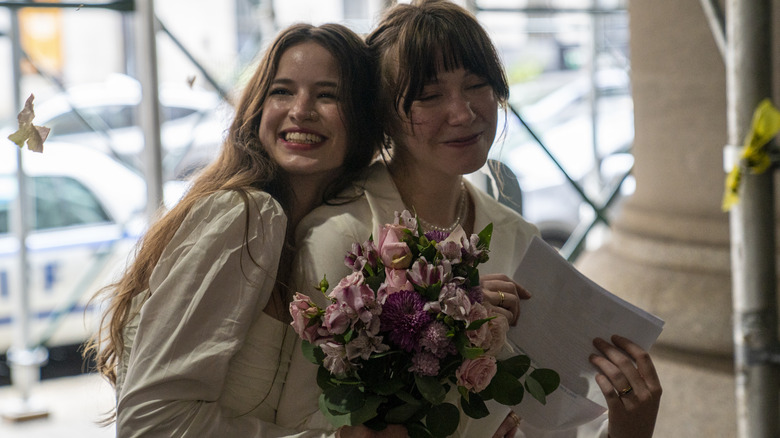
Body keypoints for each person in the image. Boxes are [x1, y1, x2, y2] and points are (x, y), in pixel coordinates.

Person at [278, 1, 662, 438]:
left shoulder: (519, 239)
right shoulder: (341, 236)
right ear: (384, 112)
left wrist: (626, 428)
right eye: (429, 95)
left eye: (477, 85)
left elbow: (544, 422)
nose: (463, 113)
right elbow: (297, 422)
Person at [83, 22, 382, 437]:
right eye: (282, 90)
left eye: (328, 95)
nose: (301, 110)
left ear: (364, 118)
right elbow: (151, 422)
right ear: (257, 108)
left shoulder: (319, 232)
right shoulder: (247, 215)